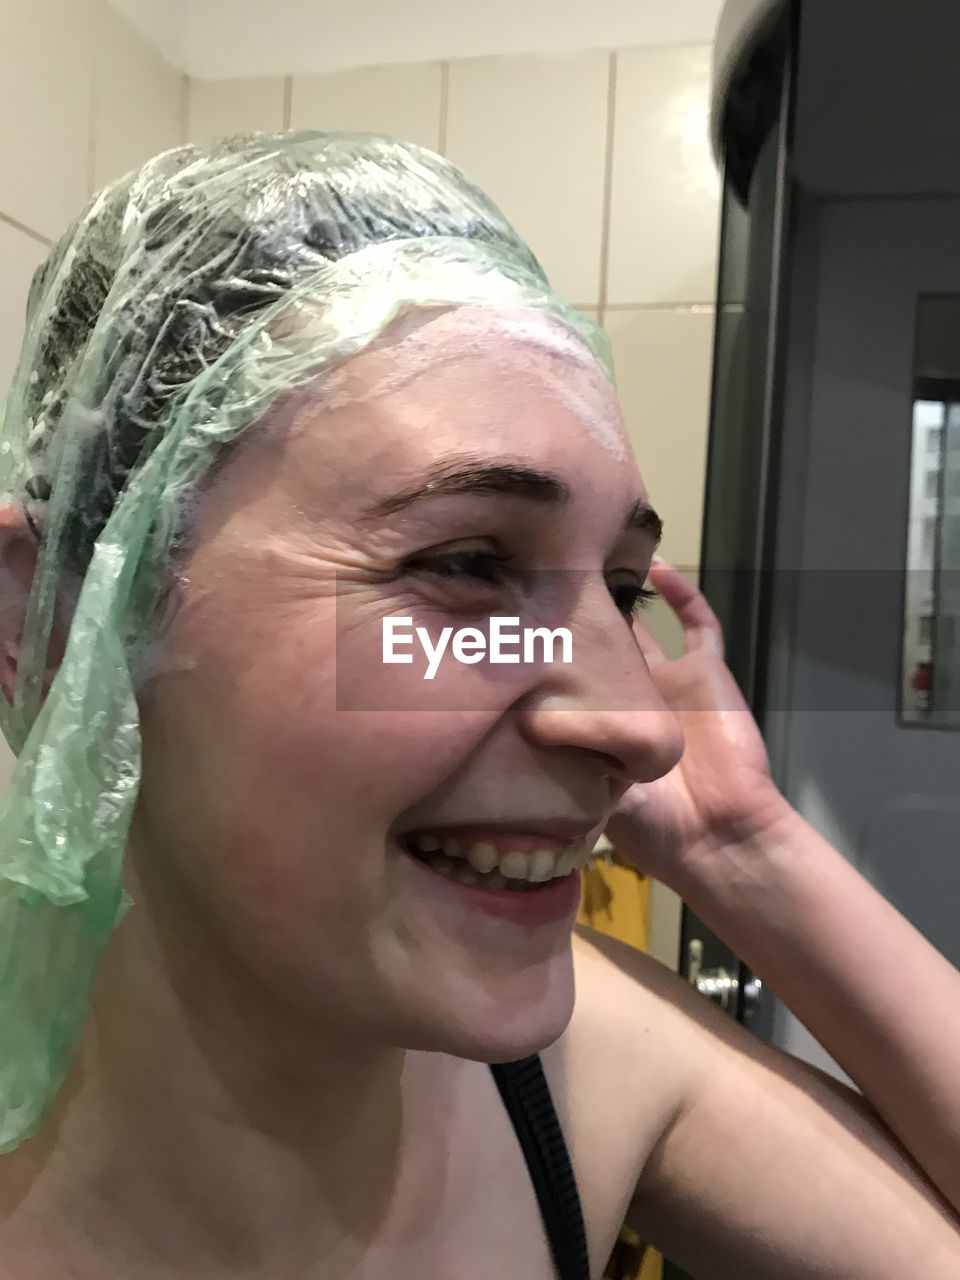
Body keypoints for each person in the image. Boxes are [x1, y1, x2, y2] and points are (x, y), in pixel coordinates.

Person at [0, 131, 956, 1280]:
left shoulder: (579, 1075)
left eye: (618, 588)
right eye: (465, 562)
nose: (643, 728)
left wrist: (743, 842)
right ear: (48, 620)